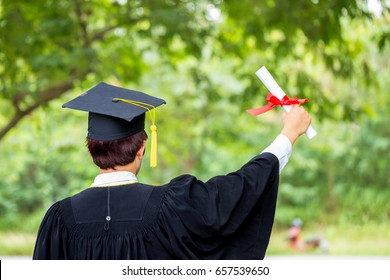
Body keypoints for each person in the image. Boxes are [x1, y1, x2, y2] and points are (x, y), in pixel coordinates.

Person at [33, 82, 311, 260]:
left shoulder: (59, 219)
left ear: (90, 148)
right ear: (142, 147)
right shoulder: (172, 207)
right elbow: (238, 190)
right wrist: (288, 134)